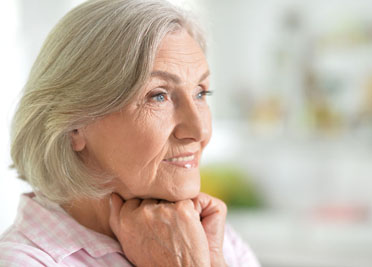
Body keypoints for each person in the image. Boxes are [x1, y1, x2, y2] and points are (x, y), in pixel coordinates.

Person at [0, 0, 260, 266]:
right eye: (158, 96)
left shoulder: (218, 240)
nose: (199, 130)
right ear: (74, 124)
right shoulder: (23, 261)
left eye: (201, 92)